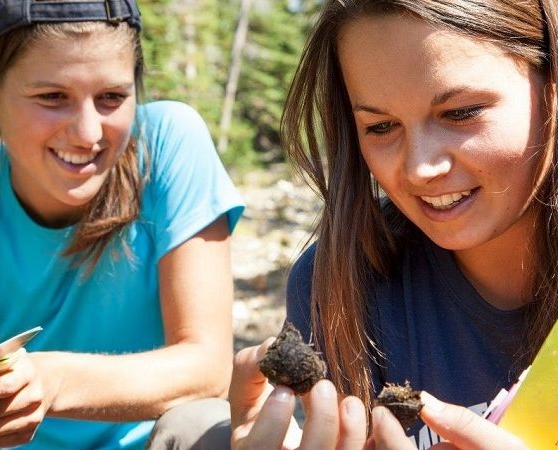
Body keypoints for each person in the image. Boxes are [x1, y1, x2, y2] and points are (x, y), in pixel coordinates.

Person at [230, 1, 556, 448]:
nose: (420, 168)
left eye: (460, 113)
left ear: (551, 86)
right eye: (381, 126)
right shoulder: (337, 285)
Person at [0, 0, 245, 448]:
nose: (89, 133)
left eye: (112, 97)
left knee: (207, 426)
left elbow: (207, 368)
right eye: (53, 98)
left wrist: (51, 380)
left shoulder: (168, 143)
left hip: (157, 440)